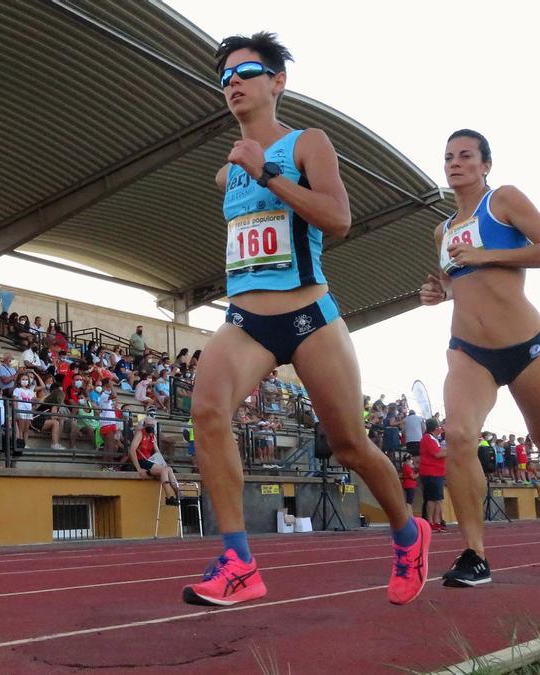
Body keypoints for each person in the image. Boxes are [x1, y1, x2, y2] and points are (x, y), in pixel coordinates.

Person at [183, 32, 428, 608]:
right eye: (224, 79)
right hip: (245, 320)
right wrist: (245, 172)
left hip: (310, 315)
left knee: (350, 447)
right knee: (206, 412)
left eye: (245, 72)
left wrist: (267, 173)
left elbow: (338, 218)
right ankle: (239, 561)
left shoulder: (305, 144)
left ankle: (407, 533)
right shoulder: (227, 173)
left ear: (277, 82)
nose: (233, 84)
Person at [419, 128, 540, 587]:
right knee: (459, 436)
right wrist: (436, 292)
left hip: (527, 348)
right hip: (467, 351)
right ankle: (474, 555)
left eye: (466, 156)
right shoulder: (441, 230)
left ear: (485, 165)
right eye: (448, 157)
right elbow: (454, 283)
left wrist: (486, 256)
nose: (455, 163)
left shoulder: (502, 200)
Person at [129, 415, 182, 502]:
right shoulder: (140, 433)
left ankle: (178, 492)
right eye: (148, 425)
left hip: (149, 461)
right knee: (164, 470)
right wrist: (138, 469)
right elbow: (132, 450)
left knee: (168, 469)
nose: (150, 427)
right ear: (144, 425)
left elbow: (157, 451)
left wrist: (162, 463)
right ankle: (169, 496)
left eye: (152, 425)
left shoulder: (152, 436)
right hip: (142, 461)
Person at [418, 418, 447, 533]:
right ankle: (430, 522)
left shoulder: (432, 439)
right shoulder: (428, 439)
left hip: (437, 472)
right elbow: (438, 454)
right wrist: (452, 450)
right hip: (431, 472)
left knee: (438, 499)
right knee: (432, 499)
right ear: (435, 428)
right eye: (439, 426)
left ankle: (436, 521)